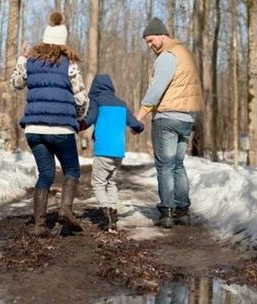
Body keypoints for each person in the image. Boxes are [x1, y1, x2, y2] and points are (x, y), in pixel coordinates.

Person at [10, 11, 89, 236]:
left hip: (34, 129)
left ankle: (39, 225)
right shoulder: (70, 65)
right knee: (71, 169)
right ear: (64, 42)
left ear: (44, 39)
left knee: (45, 175)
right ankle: (65, 210)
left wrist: (22, 58)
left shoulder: (31, 62)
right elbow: (81, 98)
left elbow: (16, 83)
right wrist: (80, 117)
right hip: (61, 129)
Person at [135, 18, 203, 229]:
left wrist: (141, 113)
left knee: (165, 166)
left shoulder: (167, 57)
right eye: (147, 42)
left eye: (151, 40)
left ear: (162, 35)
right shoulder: (185, 53)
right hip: (186, 118)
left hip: (167, 118)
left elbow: (157, 89)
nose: (149, 45)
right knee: (178, 165)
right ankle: (182, 210)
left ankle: (167, 211)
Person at [80, 74, 144, 231]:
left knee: (98, 183)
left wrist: (76, 125)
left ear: (95, 87)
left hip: (103, 151)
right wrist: (139, 128)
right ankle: (113, 213)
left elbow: (88, 120)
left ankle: (106, 213)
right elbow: (135, 123)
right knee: (111, 182)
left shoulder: (96, 101)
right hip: (118, 153)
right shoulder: (121, 104)